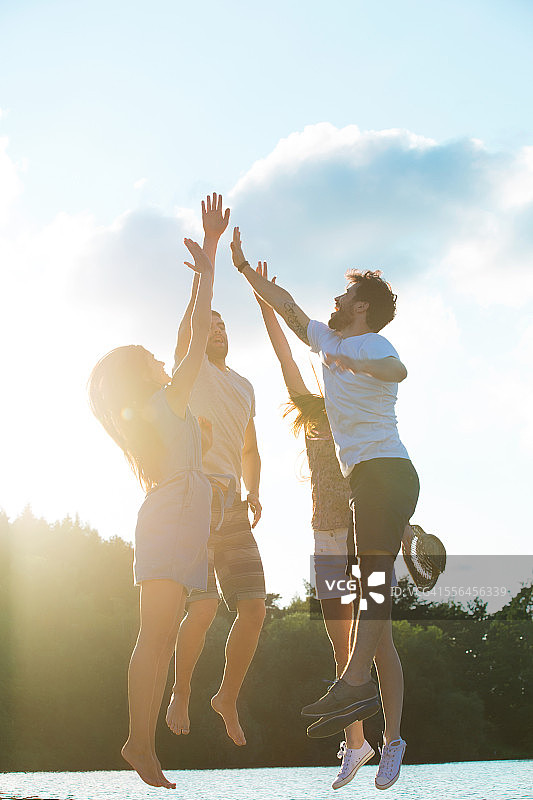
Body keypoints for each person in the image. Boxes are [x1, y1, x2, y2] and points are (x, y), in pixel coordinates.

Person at [231, 228, 419, 789]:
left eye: (342, 298)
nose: (333, 304)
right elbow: (288, 308)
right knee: (373, 616)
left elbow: (398, 372)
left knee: (375, 590)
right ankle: (374, 730)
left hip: (387, 473)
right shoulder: (328, 343)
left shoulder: (370, 347)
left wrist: (358, 365)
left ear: (361, 308)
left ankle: (357, 684)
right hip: (367, 483)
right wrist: (244, 269)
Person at [87, 233, 215, 789]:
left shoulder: (163, 409)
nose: (163, 359)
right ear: (144, 375)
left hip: (185, 516)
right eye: (152, 358)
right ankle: (140, 743)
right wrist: (208, 270)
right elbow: (197, 338)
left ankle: (145, 737)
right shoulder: (167, 401)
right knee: (156, 634)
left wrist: (195, 281)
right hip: (172, 516)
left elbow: (187, 334)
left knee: (172, 629)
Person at [165, 195, 266, 748]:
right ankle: (181, 691)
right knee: (202, 608)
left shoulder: (245, 387)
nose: (218, 330)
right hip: (198, 498)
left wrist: (255, 492)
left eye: (226, 325)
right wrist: (205, 265)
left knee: (253, 607)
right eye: (213, 324)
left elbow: (252, 449)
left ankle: (224, 695)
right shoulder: (194, 365)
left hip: (234, 504)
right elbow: (191, 330)